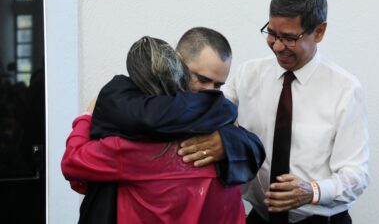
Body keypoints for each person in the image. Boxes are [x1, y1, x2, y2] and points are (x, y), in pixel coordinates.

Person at [62, 36, 253, 224]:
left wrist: (86, 117)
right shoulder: (225, 131)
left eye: (218, 85)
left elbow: (73, 163)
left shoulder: (130, 148)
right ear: (179, 64)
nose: (210, 92)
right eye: (202, 79)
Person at [222, 0, 370, 224]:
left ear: (319, 32)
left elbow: (356, 176)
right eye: (272, 33)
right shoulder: (247, 75)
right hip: (259, 218)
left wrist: (313, 191)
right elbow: (210, 115)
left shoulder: (346, 89)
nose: (278, 46)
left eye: (290, 38)